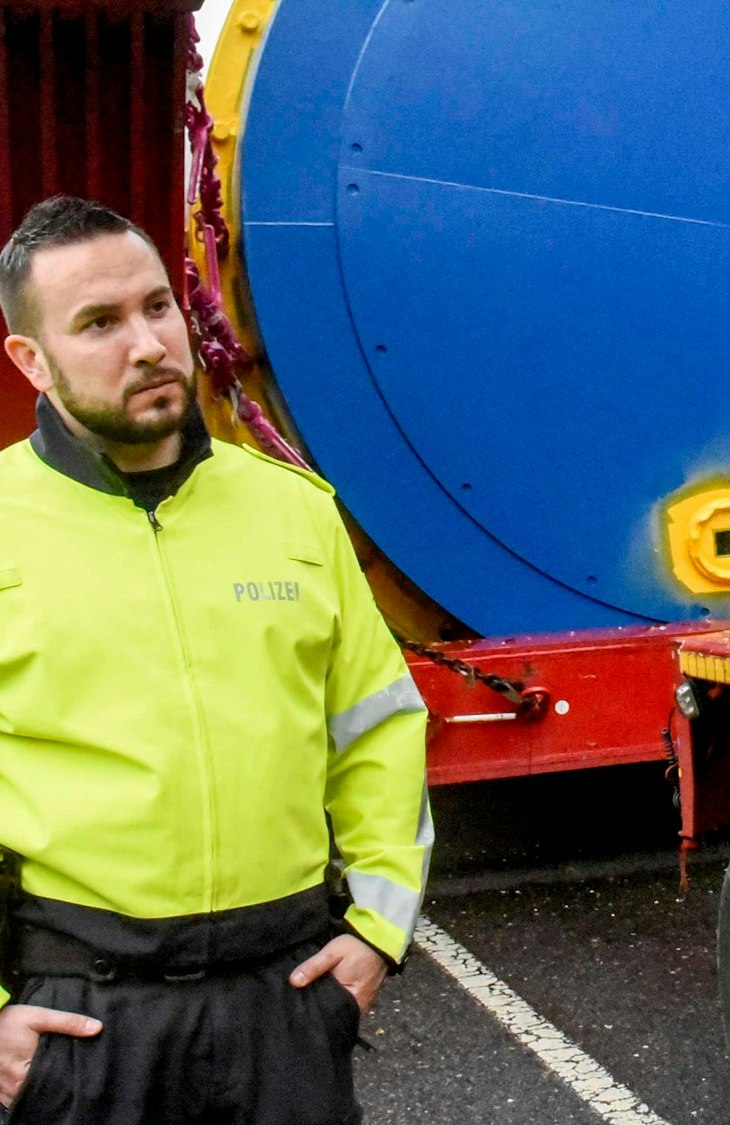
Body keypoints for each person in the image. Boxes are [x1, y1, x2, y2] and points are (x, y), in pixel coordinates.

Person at [0, 196, 431, 1125]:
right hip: (86, 1025)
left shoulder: (294, 512)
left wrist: (379, 931)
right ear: (30, 361)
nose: (149, 343)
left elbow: (378, 725)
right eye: (100, 324)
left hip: (286, 1001)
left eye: (157, 307)